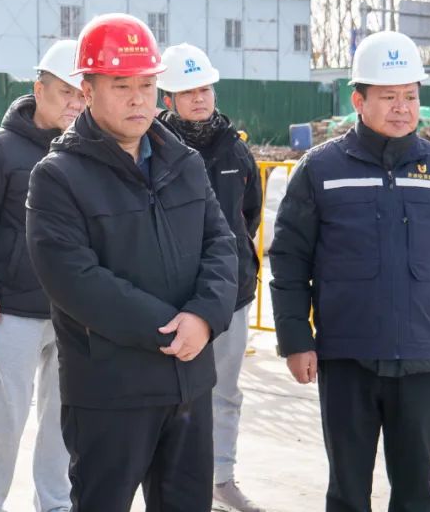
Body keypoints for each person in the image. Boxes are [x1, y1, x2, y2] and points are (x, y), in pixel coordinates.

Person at [25, 13, 238, 511]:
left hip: (189, 384)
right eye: (121, 86)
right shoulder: (58, 177)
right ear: (88, 90)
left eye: (146, 85)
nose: (138, 98)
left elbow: (222, 244)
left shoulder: (184, 163)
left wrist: (204, 317)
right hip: (110, 392)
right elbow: (74, 280)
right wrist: (172, 329)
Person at [269, 30, 430, 512]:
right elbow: (290, 259)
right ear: (359, 101)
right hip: (347, 358)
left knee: (416, 492)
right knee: (348, 492)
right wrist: (296, 339)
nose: (402, 108)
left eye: (411, 96)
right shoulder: (320, 169)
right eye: (389, 97)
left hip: (420, 357)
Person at [0, 39, 83, 512]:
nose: (74, 104)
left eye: (82, 95)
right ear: (39, 88)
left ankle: (54, 503)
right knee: (5, 416)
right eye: (66, 92)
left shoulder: (89, 150)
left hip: (73, 311)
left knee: (61, 417)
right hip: (12, 309)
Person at [155, 43, 264, 512]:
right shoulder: (154, 148)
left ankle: (221, 477)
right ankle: (171, 482)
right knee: (170, 394)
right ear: (168, 99)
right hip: (174, 296)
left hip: (231, 294)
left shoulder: (235, 149)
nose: (199, 98)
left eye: (204, 89)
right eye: (188, 91)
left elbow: (249, 215)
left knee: (226, 391)